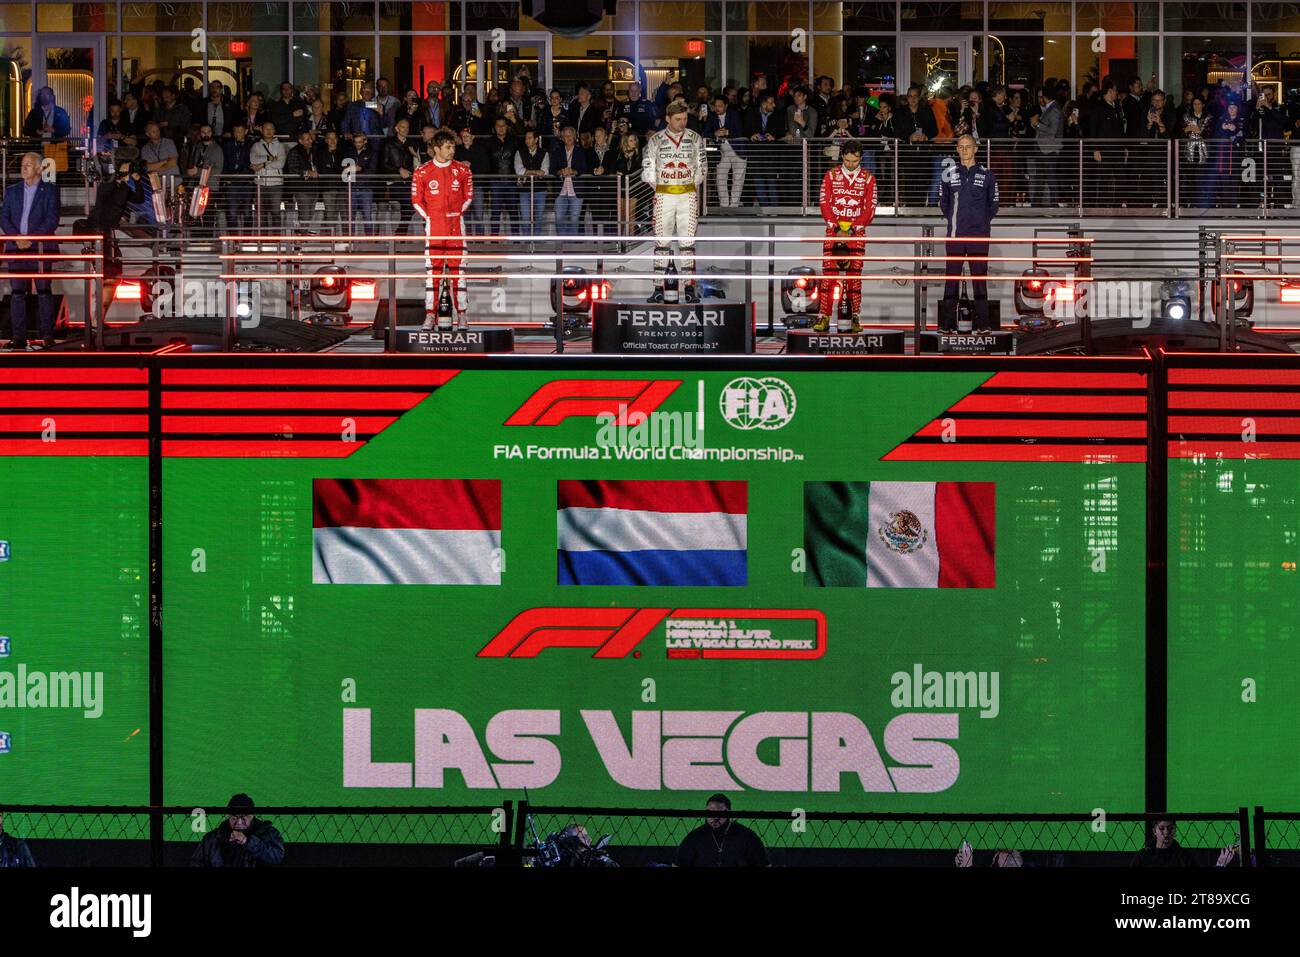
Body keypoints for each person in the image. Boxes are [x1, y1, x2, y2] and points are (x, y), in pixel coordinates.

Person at [643, 102, 705, 301]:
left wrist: (688, 185)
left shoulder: (695, 138)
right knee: (661, 242)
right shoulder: (655, 140)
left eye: (685, 119)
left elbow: (702, 168)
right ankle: (658, 288)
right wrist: (661, 186)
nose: (682, 122)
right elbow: (647, 169)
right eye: (678, 119)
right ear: (667, 119)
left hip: (688, 195)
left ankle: (689, 288)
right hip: (664, 195)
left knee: (688, 244)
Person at [411, 130, 473, 329]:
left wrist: (454, 214)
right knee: (433, 274)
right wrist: (432, 217)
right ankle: (430, 315)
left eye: (453, 146)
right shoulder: (422, 171)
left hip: (457, 227)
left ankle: (462, 315)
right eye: (448, 147)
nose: (452, 150)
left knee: (459, 273)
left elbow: (468, 196)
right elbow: (416, 201)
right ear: (436, 149)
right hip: (434, 228)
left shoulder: (463, 170)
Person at [2, 152, 61, 351]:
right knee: (17, 293)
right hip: (16, 249)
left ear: (39, 168)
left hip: (41, 248)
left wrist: (30, 239)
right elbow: (4, 217)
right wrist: (17, 239)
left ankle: (47, 336)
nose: (24, 167)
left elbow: (52, 220)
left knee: (44, 292)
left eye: (28, 164)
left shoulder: (50, 191)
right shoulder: (12, 191)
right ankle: (18, 337)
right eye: (22, 164)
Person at [816, 139, 876, 333]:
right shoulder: (831, 175)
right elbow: (824, 203)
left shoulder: (868, 178)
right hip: (832, 233)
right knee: (828, 276)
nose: (851, 164)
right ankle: (823, 316)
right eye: (848, 160)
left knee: (854, 277)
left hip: (856, 234)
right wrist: (836, 228)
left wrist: (852, 229)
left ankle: (855, 317)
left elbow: (870, 208)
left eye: (855, 161)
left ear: (861, 158)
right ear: (842, 156)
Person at [939, 134, 999, 305]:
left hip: (979, 236)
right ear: (957, 149)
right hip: (955, 236)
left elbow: (993, 204)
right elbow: (944, 203)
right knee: (951, 280)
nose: (964, 150)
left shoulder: (987, 174)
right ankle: (947, 324)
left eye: (968, 146)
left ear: (976, 149)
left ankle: (983, 325)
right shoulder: (948, 174)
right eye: (961, 147)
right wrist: (955, 219)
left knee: (980, 281)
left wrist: (981, 221)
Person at [674, 794, 769, 867]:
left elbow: (765, 865)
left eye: (719, 812)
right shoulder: (694, 837)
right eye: (710, 812)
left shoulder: (747, 836)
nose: (714, 817)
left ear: (729, 813)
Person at [190, 794, 284, 867]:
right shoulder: (212, 838)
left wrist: (247, 841)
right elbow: (196, 862)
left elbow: (277, 857)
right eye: (234, 818)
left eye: (243, 818)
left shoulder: (268, 833)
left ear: (252, 816)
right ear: (228, 816)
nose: (238, 822)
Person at [1130, 815, 1232, 868]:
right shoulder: (1142, 856)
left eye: (1170, 828)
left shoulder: (1184, 857)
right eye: (1161, 828)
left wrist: (1220, 864)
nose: (1166, 833)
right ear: (1154, 831)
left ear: (1175, 830)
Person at [705, 94, 746, 209]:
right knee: (720, 178)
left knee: (738, 179)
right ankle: (724, 205)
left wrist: (727, 132)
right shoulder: (712, 116)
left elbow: (741, 130)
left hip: (738, 150)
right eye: (715, 106)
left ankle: (734, 206)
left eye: (720, 106)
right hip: (721, 152)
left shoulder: (735, 115)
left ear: (726, 106)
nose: (717, 108)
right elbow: (706, 132)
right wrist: (715, 134)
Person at [745, 93, 785, 208]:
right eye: (771, 103)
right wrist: (751, 135)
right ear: (763, 104)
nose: (774, 105)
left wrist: (774, 136)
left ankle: (774, 211)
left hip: (771, 154)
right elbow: (745, 129)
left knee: (772, 184)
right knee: (759, 185)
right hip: (756, 154)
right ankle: (764, 211)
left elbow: (782, 130)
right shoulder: (751, 113)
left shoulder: (778, 115)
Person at [381, 117, 419, 231]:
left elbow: (415, 164)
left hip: (409, 182)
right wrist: (398, 170)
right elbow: (383, 165)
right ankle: (400, 233)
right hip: (394, 182)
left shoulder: (411, 144)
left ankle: (400, 233)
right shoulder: (388, 143)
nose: (405, 129)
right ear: (396, 128)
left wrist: (415, 156)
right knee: (409, 204)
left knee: (411, 205)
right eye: (403, 127)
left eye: (407, 127)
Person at [250, 120, 287, 231]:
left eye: (271, 129)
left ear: (275, 131)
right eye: (266, 128)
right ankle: (264, 239)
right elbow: (252, 159)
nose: (269, 131)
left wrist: (262, 165)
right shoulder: (256, 145)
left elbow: (280, 163)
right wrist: (268, 159)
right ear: (261, 130)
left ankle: (276, 239)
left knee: (276, 212)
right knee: (261, 213)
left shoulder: (280, 146)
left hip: (276, 184)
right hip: (260, 183)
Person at [550, 125, 587, 236]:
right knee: (559, 220)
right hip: (560, 192)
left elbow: (584, 169)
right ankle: (560, 248)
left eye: (570, 135)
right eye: (565, 136)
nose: (568, 138)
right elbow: (552, 169)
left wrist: (574, 171)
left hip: (576, 192)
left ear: (575, 136)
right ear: (562, 138)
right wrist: (561, 172)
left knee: (574, 221)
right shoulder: (557, 152)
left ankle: (572, 248)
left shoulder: (581, 152)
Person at [455, 127, 490, 234]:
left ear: (473, 137)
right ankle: (468, 241)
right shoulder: (457, 150)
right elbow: (453, 167)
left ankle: (479, 242)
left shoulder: (481, 150)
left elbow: (486, 168)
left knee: (479, 215)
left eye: (467, 136)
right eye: (463, 136)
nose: (465, 138)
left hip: (477, 186)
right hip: (462, 188)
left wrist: (471, 166)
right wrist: (462, 165)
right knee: (465, 216)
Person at [222, 122, 255, 231]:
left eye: (240, 131)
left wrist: (250, 177)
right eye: (235, 131)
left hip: (247, 181)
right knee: (232, 212)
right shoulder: (228, 145)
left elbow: (253, 162)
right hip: (232, 182)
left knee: (247, 211)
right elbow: (224, 163)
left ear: (246, 131)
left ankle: (247, 239)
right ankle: (233, 239)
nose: (238, 134)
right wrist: (226, 178)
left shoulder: (252, 144)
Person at [584, 124, 616, 232]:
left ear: (606, 137)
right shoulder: (589, 152)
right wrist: (594, 171)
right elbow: (586, 167)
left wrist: (604, 170)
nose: (598, 138)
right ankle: (597, 241)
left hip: (607, 189)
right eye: (596, 136)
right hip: (593, 188)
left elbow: (613, 167)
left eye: (600, 135)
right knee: (595, 215)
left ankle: (606, 241)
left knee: (606, 215)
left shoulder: (612, 151)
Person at [347, 130, 379, 235]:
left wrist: (360, 169)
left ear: (365, 141)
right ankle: (350, 242)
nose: (357, 144)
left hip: (366, 189)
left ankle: (369, 240)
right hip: (351, 188)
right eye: (356, 142)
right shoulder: (349, 152)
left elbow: (372, 171)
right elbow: (343, 168)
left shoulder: (372, 153)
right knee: (350, 216)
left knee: (367, 215)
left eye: (360, 142)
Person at [613, 131, 642, 230]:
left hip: (634, 187)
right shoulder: (619, 154)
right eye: (631, 140)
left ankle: (630, 242)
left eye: (634, 140)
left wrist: (623, 172)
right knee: (621, 214)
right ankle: (620, 241)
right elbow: (615, 169)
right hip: (621, 187)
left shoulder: (639, 154)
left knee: (631, 214)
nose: (634, 142)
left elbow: (636, 171)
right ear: (625, 142)